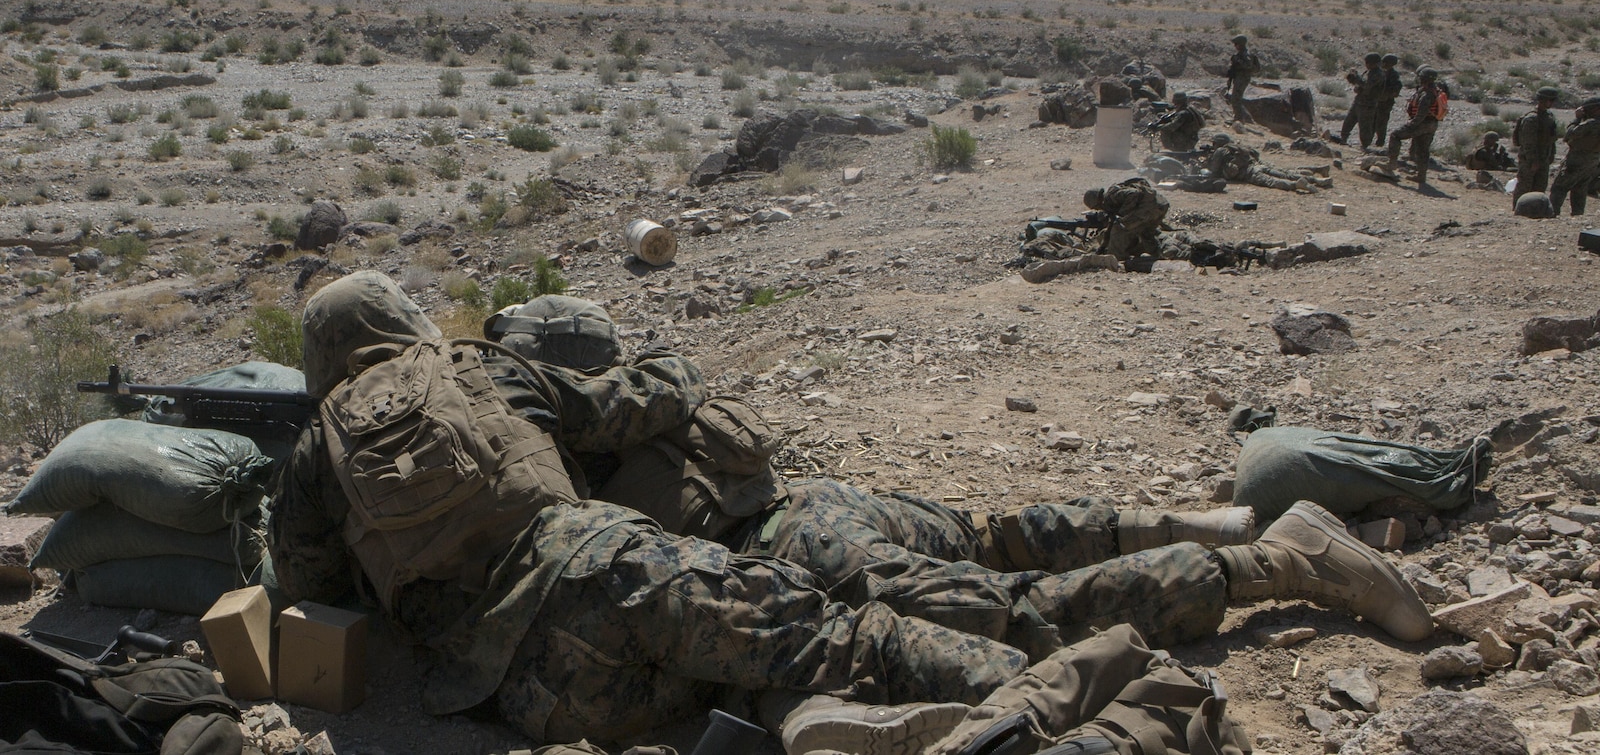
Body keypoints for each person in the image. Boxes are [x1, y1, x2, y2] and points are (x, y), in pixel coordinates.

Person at [272, 273, 1432, 750]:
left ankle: (1062, 684)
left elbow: (305, 585)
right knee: (941, 589)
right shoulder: (487, 369)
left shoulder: (318, 443)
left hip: (507, 670)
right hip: (669, 550)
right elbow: (647, 403)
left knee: (737, 679)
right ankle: (1137, 639)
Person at [1384, 67, 1446, 187]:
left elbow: (1421, 113)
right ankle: (1421, 176)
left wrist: (1411, 124)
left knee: (1395, 135)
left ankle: (1391, 164)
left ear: (1424, 78)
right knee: (1423, 149)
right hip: (1432, 124)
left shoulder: (1426, 93)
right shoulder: (1435, 90)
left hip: (1422, 123)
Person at [1082, 178, 1168, 260]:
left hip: (1149, 208)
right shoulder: (1110, 204)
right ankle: (1160, 255)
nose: (1098, 209)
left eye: (1097, 207)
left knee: (1119, 228)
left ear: (1098, 201)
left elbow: (1134, 193)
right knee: (1146, 233)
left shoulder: (1111, 197)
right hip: (1160, 206)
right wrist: (1102, 248)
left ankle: (1117, 257)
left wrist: (1123, 214)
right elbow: (1109, 229)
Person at [1206, 134, 1324, 193]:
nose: (1213, 146)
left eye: (1214, 143)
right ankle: (1315, 180)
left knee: (1272, 182)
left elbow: (1214, 169)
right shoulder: (1238, 147)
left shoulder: (1221, 150)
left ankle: (1296, 185)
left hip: (1250, 172)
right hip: (1260, 165)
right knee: (1285, 174)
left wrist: (1207, 162)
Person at [1550, 97, 1600, 216]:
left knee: (1559, 187)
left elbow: (1569, 134)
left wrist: (1576, 119)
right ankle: (1578, 215)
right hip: (1593, 161)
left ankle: (1551, 213)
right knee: (1580, 188)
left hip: (1577, 160)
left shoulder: (1591, 123)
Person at [1513, 86, 1560, 204]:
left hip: (1543, 158)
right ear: (1542, 100)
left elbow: (1551, 139)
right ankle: (1518, 209)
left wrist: (1551, 155)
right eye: (1550, 100)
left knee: (1540, 188)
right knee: (1525, 186)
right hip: (1530, 160)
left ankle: (1535, 211)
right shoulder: (1532, 119)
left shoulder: (1548, 117)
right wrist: (1533, 160)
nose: (1551, 103)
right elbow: (1528, 142)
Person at [1337, 53, 1384, 151]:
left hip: (1368, 104)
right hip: (1359, 101)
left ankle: (1365, 147)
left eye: (1369, 63)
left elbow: (1366, 85)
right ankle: (1343, 139)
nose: (1367, 65)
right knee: (1348, 121)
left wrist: (1357, 77)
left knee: (1365, 127)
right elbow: (1361, 85)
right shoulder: (1368, 72)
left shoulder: (1378, 74)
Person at [1222, 34, 1260, 122]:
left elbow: (1248, 65)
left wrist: (1238, 61)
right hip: (1238, 78)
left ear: (1241, 44)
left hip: (1243, 78)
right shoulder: (1240, 54)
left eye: (1236, 44)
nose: (1235, 46)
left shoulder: (1246, 54)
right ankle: (1238, 117)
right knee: (1235, 98)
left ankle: (1238, 119)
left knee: (1236, 98)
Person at [1375, 54, 1403, 147]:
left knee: (1382, 123)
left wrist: (1387, 95)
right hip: (1378, 101)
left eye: (1385, 62)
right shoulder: (1381, 72)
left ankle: (1380, 142)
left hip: (1386, 102)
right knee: (1373, 121)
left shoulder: (1393, 75)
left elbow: (1394, 89)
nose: (1383, 64)